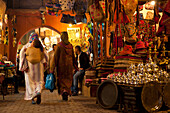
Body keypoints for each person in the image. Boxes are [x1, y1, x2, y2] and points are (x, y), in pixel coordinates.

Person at [19, 33, 48, 104]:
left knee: (30, 82)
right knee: (39, 81)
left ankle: (33, 97)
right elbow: (46, 57)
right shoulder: (41, 46)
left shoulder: (26, 46)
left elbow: (22, 57)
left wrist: (22, 67)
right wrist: (46, 66)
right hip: (39, 66)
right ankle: (38, 91)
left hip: (29, 67)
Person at [50, 32, 77, 101]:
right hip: (69, 66)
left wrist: (52, 68)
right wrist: (75, 65)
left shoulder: (59, 46)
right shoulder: (70, 46)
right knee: (68, 79)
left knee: (61, 80)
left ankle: (64, 91)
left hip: (61, 66)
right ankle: (67, 91)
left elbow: (55, 57)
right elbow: (73, 57)